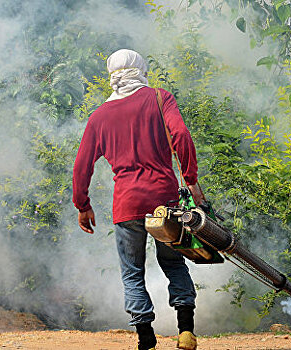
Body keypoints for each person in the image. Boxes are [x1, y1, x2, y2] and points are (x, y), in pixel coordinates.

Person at [72, 49, 203, 350]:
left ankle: (146, 338)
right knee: (174, 264)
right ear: (141, 69)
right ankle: (185, 331)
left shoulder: (99, 117)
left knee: (132, 272)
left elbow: (82, 165)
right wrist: (191, 179)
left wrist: (83, 205)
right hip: (164, 201)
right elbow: (181, 135)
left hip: (127, 205)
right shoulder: (159, 98)